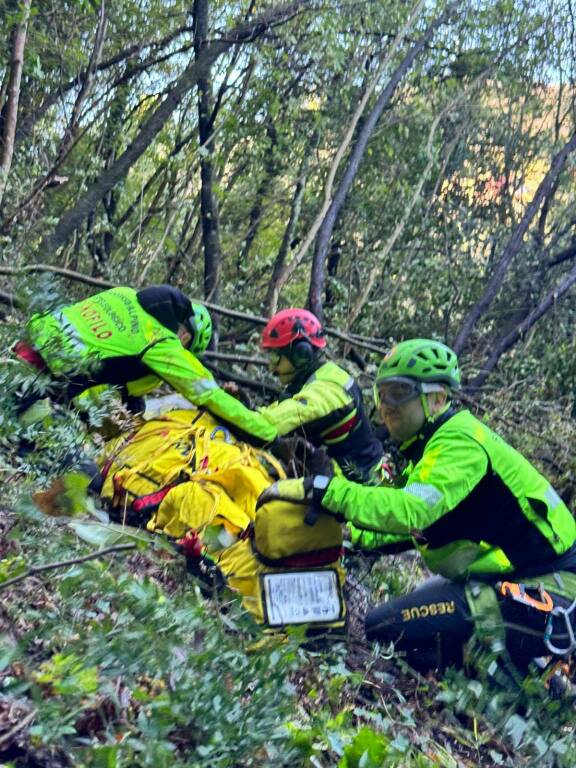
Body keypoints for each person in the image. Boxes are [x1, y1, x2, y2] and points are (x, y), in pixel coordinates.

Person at [258, 338, 576, 674]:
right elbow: (414, 529)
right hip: (501, 580)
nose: (386, 406)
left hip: (547, 592)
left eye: (399, 393)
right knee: (399, 622)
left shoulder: (460, 443)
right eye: (381, 395)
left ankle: (511, 686)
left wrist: (321, 489)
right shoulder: (430, 448)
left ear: (437, 398)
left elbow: (409, 510)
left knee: (385, 628)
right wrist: (349, 537)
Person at [15, 285, 276, 443]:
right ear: (186, 337)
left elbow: (110, 370)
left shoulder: (124, 294)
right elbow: (210, 394)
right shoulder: (160, 341)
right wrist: (267, 434)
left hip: (19, 351)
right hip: (39, 390)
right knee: (80, 478)